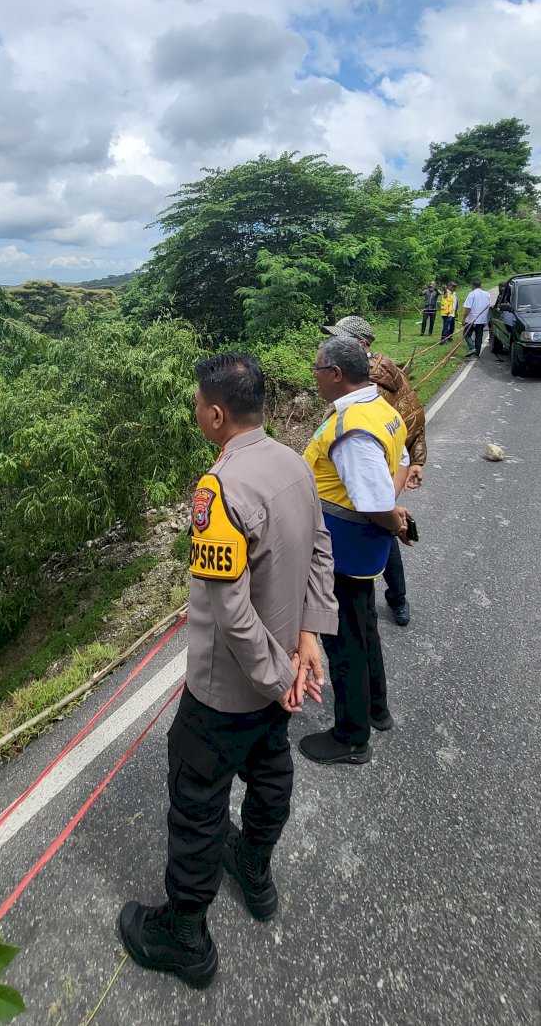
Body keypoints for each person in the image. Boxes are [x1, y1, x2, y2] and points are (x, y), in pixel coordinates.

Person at [119, 353, 338, 989]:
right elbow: (320, 550)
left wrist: (279, 675)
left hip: (226, 690)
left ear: (215, 415)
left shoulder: (218, 490)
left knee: (196, 804)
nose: (195, 413)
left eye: (197, 405)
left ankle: (185, 936)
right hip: (280, 679)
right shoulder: (295, 464)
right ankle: (256, 875)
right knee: (271, 772)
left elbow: (231, 610)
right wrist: (308, 641)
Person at [300, 337, 413, 766]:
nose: (314, 378)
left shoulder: (352, 429)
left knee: (343, 640)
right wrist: (391, 510)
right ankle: (375, 708)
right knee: (365, 628)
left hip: (341, 552)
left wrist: (394, 520)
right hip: (360, 553)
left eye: (316, 370)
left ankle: (351, 736)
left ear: (335, 375)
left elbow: (373, 501)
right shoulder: (381, 411)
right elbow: (400, 461)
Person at [322, 316, 425, 626]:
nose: (329, 346)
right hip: (379, 473)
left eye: (338, 339)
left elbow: (411, 415)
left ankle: (395, 598)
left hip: (371, 481)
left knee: (385, 527)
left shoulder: (369, 386)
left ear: (361, 345)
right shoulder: (381, 370)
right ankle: (397, 597)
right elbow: (413, 413)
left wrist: (411, 464)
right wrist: (416, 458)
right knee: (385, 526)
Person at [462, 279, 491, 357]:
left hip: (472, 319)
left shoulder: (472, 294)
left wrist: (464, 319)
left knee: (466, 334)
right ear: (480, 285)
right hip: (482, 319)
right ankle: (477, 354)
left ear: (473, 286)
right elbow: (489, 306)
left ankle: (472, 347)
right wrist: (487, 319)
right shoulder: (487, 294)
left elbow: (468, 308)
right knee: (479, 337)